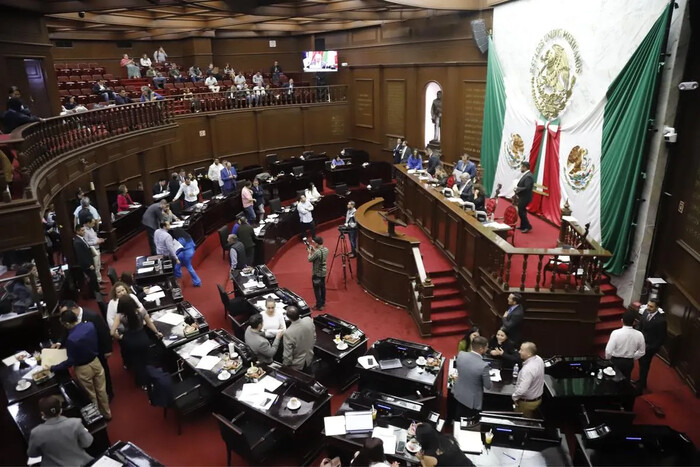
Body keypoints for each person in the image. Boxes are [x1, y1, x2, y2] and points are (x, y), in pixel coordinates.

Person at [47, 310, 111, 419]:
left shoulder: (71, 339)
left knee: (91, 395)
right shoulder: (90, 325)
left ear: (67, 324)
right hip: (96, 362)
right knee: (102, 390)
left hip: (83, 369)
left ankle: (96, 417)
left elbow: (70, 361)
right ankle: (107, 413)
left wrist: (53, 367)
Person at [58, 301, 114, 400]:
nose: (64, 316)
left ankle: (109, 393)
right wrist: (59, 343)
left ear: (74, 309)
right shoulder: (69, 320)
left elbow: (104, 332)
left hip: (97, 351)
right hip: (82, 355)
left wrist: (108, 349)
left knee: (104, 373)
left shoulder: (92, 316)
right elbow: (65, 331)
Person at [27, 395, 94, 466]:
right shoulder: (75, 423)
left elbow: (32, 454)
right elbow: (87, 443)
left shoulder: (36, 432)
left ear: (43, 414)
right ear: (61, 410)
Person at [110, 295, 162, 386]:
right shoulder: (141, 311)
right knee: (148, 361)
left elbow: (112, 332)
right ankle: (152, 380)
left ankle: (142, 383)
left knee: (137, 363)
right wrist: (157, 332)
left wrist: (120, 337)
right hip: (142, 338)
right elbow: (149, 323)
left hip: (130, 341)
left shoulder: (120, 316)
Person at [453, 336, 491, 419]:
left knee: (458, 418)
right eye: (486, 347)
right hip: (472, 402)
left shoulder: (461, 354)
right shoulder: (484, 366)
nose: (487, 349)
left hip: (459, 393)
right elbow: (488, 386)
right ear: (481, 349)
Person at [635, 299, 667, 391]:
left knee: (644, 366)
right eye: (648, 305)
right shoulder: (645, 312)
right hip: (641, 343)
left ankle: (640, 387)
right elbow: (640, 326)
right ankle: (642, 381)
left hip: (649, 348)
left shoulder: (661, 321)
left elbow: (661, 338)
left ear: (657, 308)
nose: (648, 308)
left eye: (651, 306)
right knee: (641, 364)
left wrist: (651, 348)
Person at [605, 309, 645, 379]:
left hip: (616, 361)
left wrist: (608, 359)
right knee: (625, 381)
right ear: (634, 322)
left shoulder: (616, 333)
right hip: (629, 362)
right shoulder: (639, 335)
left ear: (622, 320)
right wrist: (632, 357)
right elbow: (642, 352)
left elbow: (608, 351)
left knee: (613, 380)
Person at [512, 341, 545, 418]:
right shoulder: (539, 359)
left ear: (529, 354)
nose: (519, 352)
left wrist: (514, 397)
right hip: (537, 400)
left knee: (522, 424)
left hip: (526, 404)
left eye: (521, 350)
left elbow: (522, 390)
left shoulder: (527, 369)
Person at [283, 306, 315, 371]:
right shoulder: (308, 320)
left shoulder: (288, 333)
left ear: (288, 318)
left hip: (297, 365)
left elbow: (287, 356)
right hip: (310, 357)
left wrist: (284, 367)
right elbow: (314, 337)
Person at [73, 224, 102, 297]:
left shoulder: (81, 239)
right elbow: (81, 256)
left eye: (84, 230)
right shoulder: (77, 242)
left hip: (90, 261)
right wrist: (89, 265)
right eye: (82, 231)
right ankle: (94, 294)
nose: (84, 232)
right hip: (87, 264)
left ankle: (97, 293)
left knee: (94, 279)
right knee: (92, 279)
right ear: (77, 231)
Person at [308, 236, 328, 311]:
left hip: (316, 273)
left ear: (317, 243)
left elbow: (310, 259)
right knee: (323, 287)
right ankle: (323, 302)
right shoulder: (326, 249)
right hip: (323, 271)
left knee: (316, 289)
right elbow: (319, 255)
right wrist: (314, 250)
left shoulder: (317, 252)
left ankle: (319, 305)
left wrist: (310, 252)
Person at [83, 217, 105, 284]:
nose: (94, 225)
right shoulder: (85, 231)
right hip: (93, 250)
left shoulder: (91, 228)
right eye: (92, 223)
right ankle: (97, 283)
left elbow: (94, 237)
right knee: (95, 266)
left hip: (97, 248)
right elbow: (86, 242)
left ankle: (99, 279)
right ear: (88, 223)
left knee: (98, 265)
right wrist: (96, 242)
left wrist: (99, 239)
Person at [514, 161, 534, 233]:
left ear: (525, 167)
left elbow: (527, 187)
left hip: (525, 197)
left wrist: (518, 189)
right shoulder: (527, 175)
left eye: (521, 167)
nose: (521, 168)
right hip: (523, 196)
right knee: (522, 211)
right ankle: (523, 226)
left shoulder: (528, 176)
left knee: (521, 212)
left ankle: (528, 226)